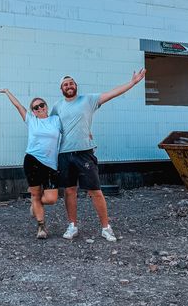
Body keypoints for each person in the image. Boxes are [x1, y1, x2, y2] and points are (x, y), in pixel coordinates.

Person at [51, 70, 146, 242]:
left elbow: (112, 93)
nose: (69, 86)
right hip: (64, 154)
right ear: (61, 89)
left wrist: (132, 83)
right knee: (69, 190)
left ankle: (106, 227)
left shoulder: (88, 100)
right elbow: (49, 129)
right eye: (65, 84)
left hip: (85, 153)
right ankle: (72, 226)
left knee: (95, 190)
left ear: (76, 86)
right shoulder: (57, 107)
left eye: (71, 83)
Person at [0, 88, 61, 239]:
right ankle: (41, 227)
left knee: (51, 199)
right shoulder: (32, 120)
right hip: (32, 160)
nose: (40, 108)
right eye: (36, 107)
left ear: (46, 106)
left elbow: (69, 130)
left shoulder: (56, 120)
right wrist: (7, 92)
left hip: (51, 164)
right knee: (35, 193)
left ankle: (35, 204)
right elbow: (18, 106)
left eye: (42, 105)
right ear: (33, 111)